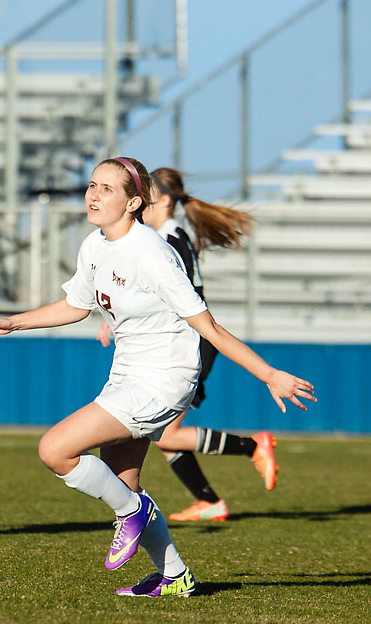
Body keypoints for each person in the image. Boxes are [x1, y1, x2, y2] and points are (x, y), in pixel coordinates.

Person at [0, 156, 315, 597]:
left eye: (107, 189)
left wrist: (268, 374)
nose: (93, 194)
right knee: (122, 484)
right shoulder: (94, 244)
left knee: (55, 449)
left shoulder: (153, 253)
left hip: (165, 378)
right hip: (128, 373)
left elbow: (207, 326)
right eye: (92, 185)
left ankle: (132, 513)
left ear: (135, 202)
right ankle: (175, 575)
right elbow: (76, 307)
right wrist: (12, 323)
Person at [96, 167, 272, 523]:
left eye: (145, 193)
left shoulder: (170, 239)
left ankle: (252, 447)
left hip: (188, 343)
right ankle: (209, 501)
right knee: (162, 434)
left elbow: (181, 297)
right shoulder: (160, 237)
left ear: (160, 199)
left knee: (166, 434)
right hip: (177, 342)